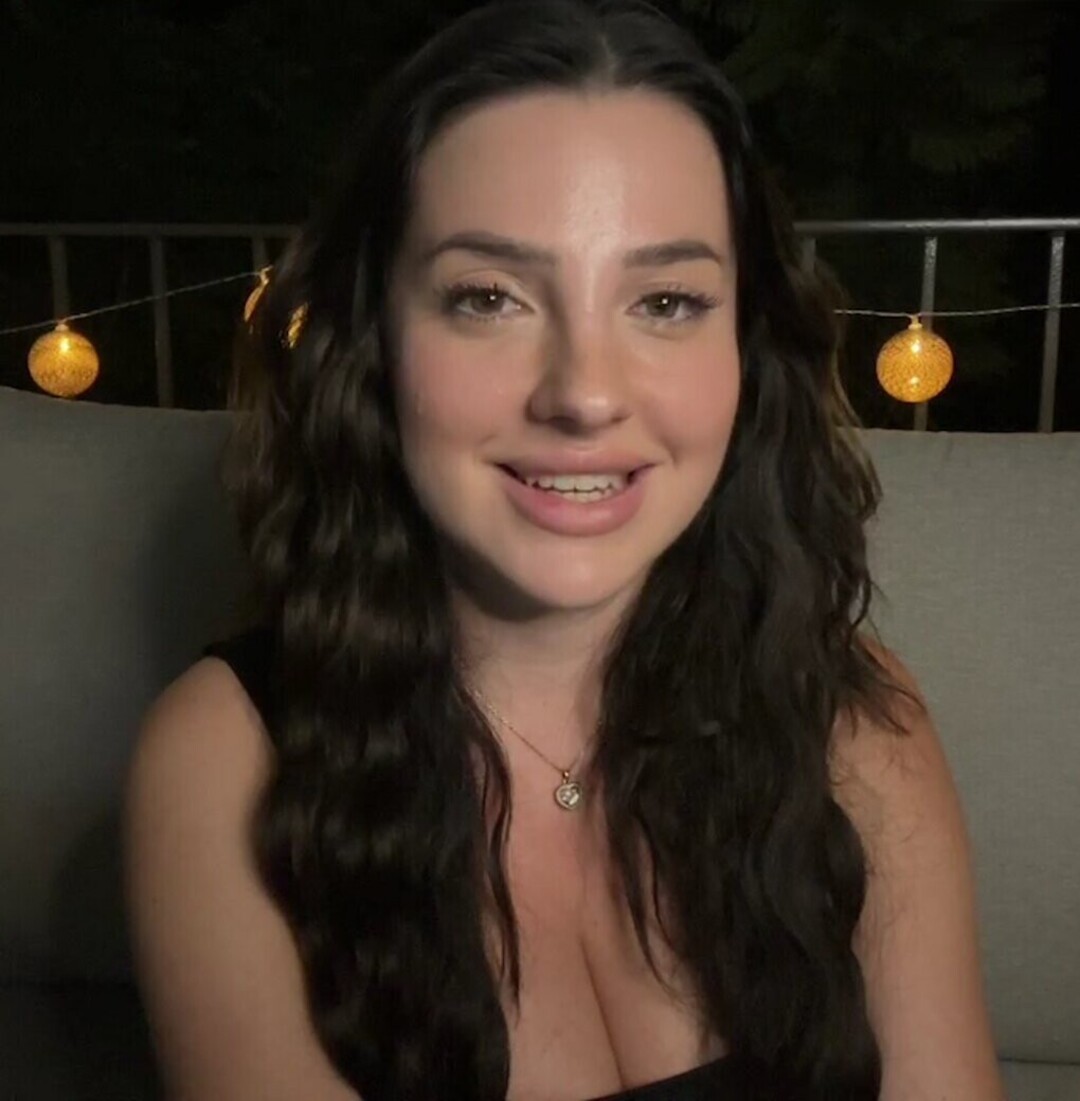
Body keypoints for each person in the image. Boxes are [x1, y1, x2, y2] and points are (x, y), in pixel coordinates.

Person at [123, 1, 1006, 1099]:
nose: (585, 394)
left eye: (667, 301)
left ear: (746, 345)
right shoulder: (227, 763)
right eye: (488, 298)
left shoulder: (858, 723)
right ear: (373, 338)